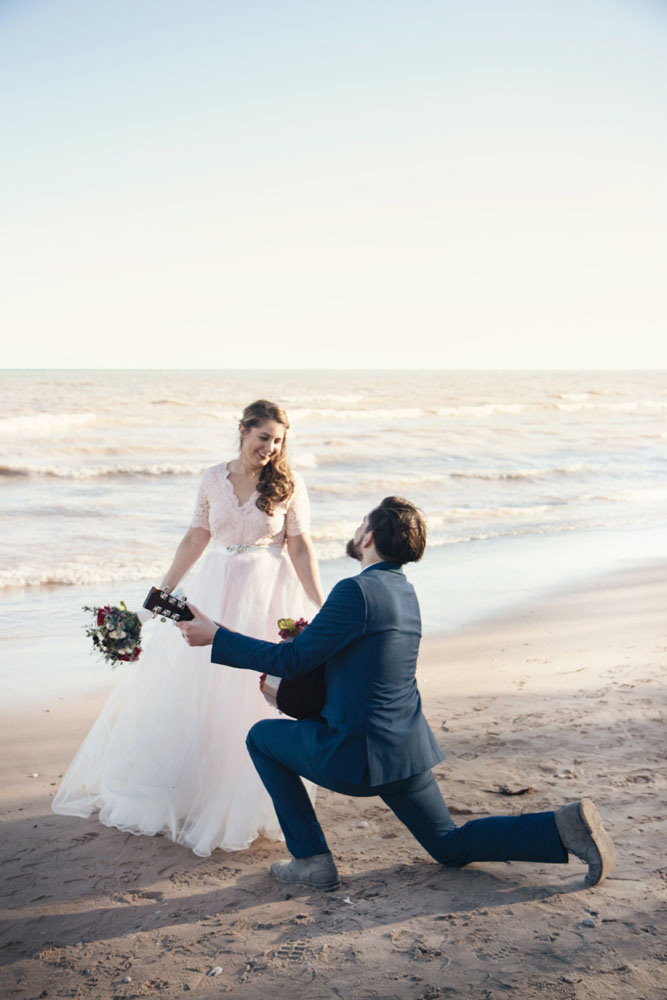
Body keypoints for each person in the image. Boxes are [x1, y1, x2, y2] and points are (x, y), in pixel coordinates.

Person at [178, 496, 617, 890]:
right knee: (448, 845)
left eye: (359, 525)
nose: (354, 532)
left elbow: (293, 663)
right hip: (407, 753)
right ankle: (562, 827)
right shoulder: (404, 591)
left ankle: (312, 859)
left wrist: (216, 635)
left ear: (368, 537)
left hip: (357, 759)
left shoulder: (355, 590)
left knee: (261, 738)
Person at [53, 400, 325, 856]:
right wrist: (159, 594)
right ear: (243, 431)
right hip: (215, 591)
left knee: (247, 694)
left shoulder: (289, 483)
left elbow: (300, 548)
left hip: (264, 595)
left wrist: (322, 604)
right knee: (197, 690)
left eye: (278, 441)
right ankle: (194, 790)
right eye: (264, 438)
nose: (271, 448)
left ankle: (241, 796)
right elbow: (196, 537)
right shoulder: (211, 478)